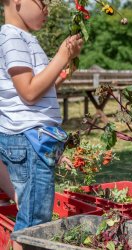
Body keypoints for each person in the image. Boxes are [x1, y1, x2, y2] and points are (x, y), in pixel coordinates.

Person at [0, 0, 83, 238]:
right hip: (29, 139)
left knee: (33, 215)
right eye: (42, 2)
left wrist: (65, 66)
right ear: (17, 2)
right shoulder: (13, 38)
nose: (47, 8)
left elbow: (42, 87)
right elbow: (29, 92)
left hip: (32, 138)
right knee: (33, 223)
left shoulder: (24, 38)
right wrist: (61, 54)